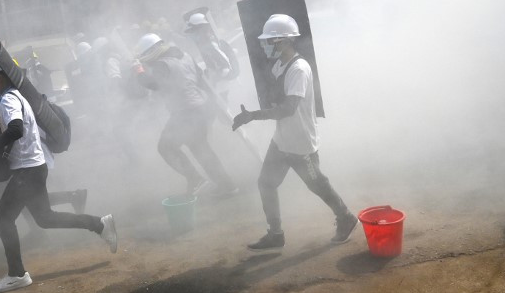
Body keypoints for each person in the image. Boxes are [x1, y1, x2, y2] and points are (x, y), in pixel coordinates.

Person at [0, 50, 117, 293]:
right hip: (34, 168)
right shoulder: (16, 96)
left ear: (0, 78)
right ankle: (99, 224)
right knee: (45, 218)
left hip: (27, 170)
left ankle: (17, 274)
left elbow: (15, 129)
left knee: (3, 219)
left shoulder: (9, 100)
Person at [232, 14, 357, 250]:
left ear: (284, 41)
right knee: (266, 183)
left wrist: (253, 115)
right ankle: (275, 234)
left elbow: (289, 109)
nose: (267, 46)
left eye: (271, 41)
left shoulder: (299, 69)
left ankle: (346, 217)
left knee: (317, 184)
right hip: (281, 140)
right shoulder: (279, 65)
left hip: (300, 142)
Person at [134, 33, 238, 198]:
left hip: (185, 113)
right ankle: (227, 185)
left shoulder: (162, 64)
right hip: (200, 108)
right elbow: (202, 79)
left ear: (153, 50)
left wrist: (138, 71)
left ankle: (195, 179)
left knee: (166, 147)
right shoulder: (185, 56)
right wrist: (215, 104)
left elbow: (152, 84)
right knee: (201, 149)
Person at [183, 13, 239, 96]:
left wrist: (214, 79)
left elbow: (225, 68)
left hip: (224, 86)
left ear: (201, 29)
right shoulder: (205, 43)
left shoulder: (210, 44)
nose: (191, 34)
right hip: (222, 85)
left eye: (193, 31)